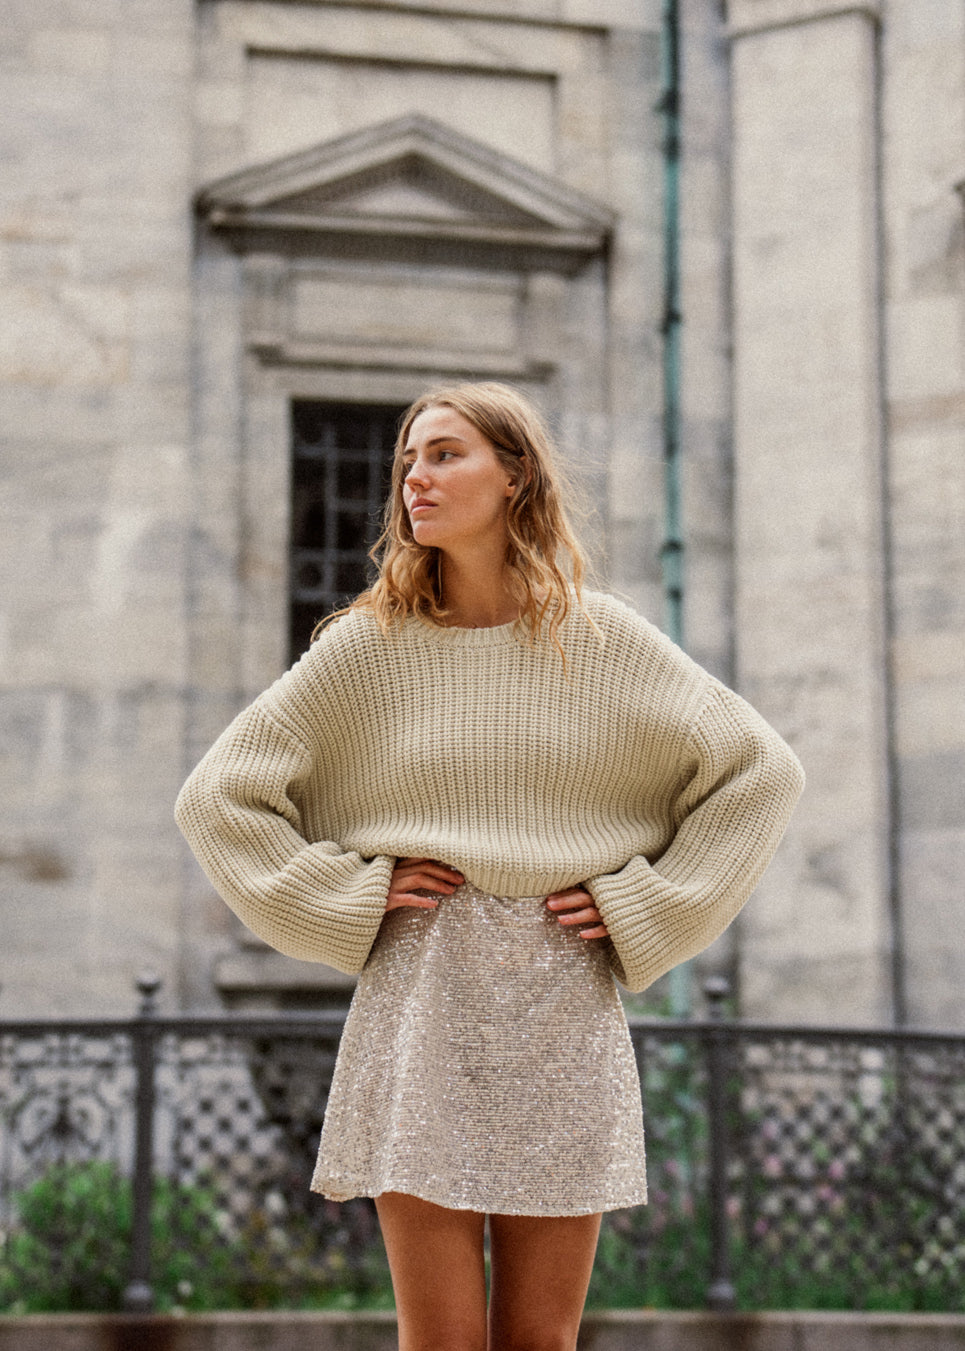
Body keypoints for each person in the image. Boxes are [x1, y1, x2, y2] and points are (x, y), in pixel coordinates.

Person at [175, 381, 804, 1351]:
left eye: (444, 453)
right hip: (421, 997)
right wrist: (348, 896)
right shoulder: (364, 649)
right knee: (438, 1342)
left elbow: (759, 772)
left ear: (514, 475)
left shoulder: (599, 638)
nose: (415, 478)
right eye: (408, 461)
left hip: (561, 998)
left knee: (541, 1341)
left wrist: (649, 907)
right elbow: (215, 797)